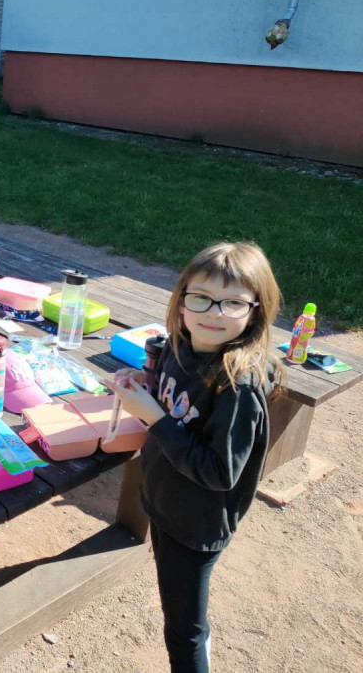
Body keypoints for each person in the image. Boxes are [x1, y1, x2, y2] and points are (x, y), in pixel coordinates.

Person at [109, 242, 283, 673]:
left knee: (183, 631)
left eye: (232, 302)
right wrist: (144, 383)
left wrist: (153, 416)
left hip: (196, 523)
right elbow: (175, 400)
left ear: (255, 311)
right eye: (201, 297)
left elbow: (220, 472)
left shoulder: (238, 388)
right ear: (182, 299)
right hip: (166, 501)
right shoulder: (180, 345)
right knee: (180, 607)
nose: (214, 312)